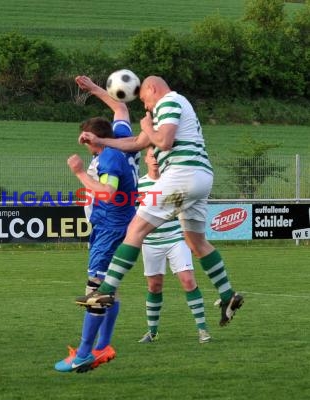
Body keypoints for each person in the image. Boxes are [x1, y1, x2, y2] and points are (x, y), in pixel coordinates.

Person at [76, 76, 244, 327]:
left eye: (144, 99)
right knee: (195, 240)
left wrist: (147, 125)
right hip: (200, 178)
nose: (146, 107)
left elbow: (162, 141)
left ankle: (106, 291)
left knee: (136, 228)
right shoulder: (166, 111)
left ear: (153, 89)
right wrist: (101, 141)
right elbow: (135, 142)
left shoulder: (169, 101)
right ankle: (228, 294)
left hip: (182, 175)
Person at [54, 116, 136, 373]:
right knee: (110, 289)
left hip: (110, 229)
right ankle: (103, 346)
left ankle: (84, 353)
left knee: (95, 291)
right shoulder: (117, 147)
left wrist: (78, 172)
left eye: (85, 138)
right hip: (117, 225)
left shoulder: (110, 156)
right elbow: (121, 107)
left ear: (91, 137)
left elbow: (107, 192)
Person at [137, 147, 211, 344]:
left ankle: (203, 330)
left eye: (158, 156)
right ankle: (152, 332)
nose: (154, 160)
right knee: (154, 286)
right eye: (151, 156)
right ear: (145, 159)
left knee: (188, 280)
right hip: (150, 243)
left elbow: (178, 209)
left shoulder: (172, 184)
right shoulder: (138, 185)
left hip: (176, 238)